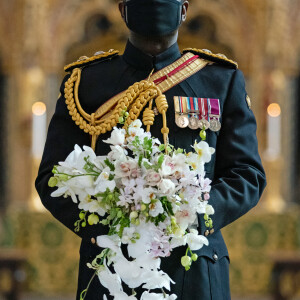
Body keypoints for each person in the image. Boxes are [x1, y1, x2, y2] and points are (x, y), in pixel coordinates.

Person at [35, 0, 267, 299]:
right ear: (122, 10)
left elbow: (247, 175)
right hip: (113, 267)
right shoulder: (85, 83)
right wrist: (111, 221)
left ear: (184, 9)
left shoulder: (219, 81)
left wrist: (193, 214)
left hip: (193, 267)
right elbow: (51, 176)